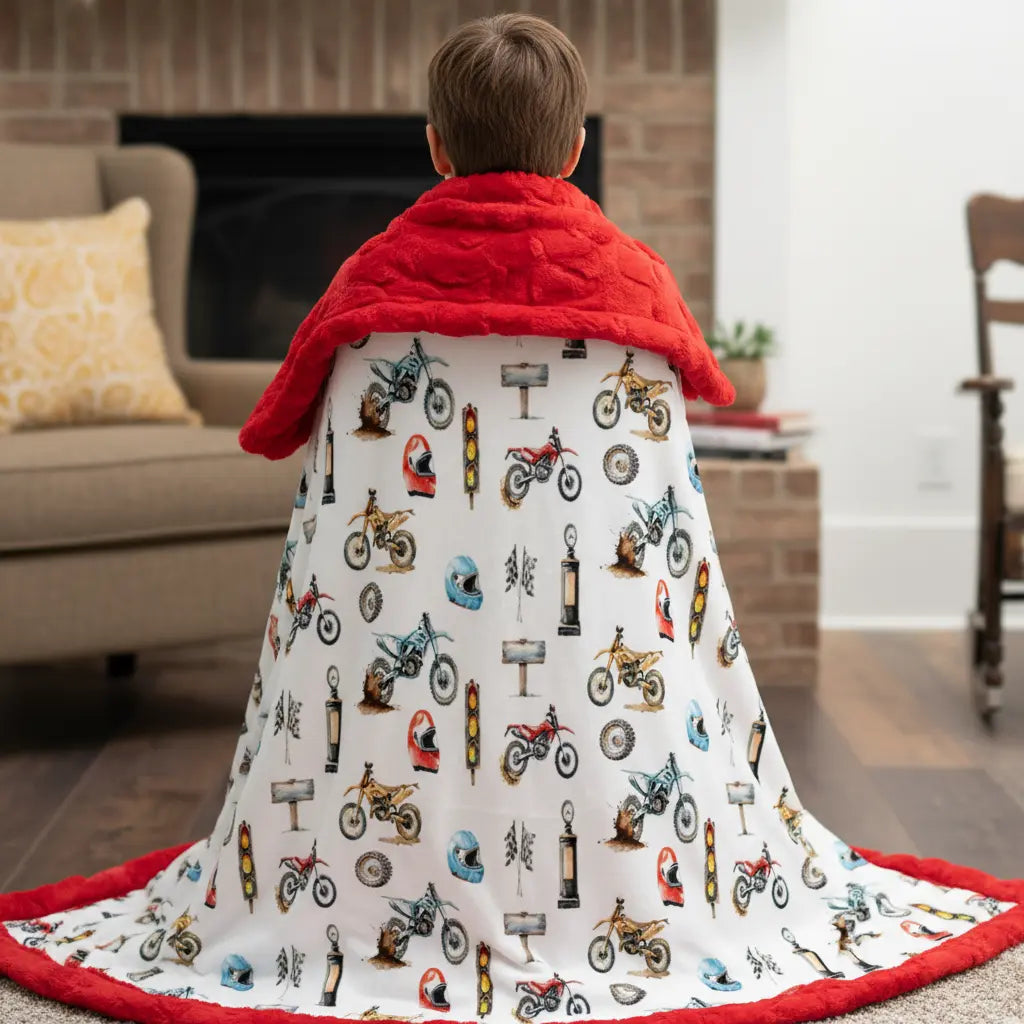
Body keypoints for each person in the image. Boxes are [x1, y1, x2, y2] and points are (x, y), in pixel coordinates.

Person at [1, 14, 1021, 1024]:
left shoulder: (367, 291)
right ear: (577, 149)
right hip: (601, 675)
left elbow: (306, 469)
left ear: (435, 146)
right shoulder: (637, 291)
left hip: (392, 706)